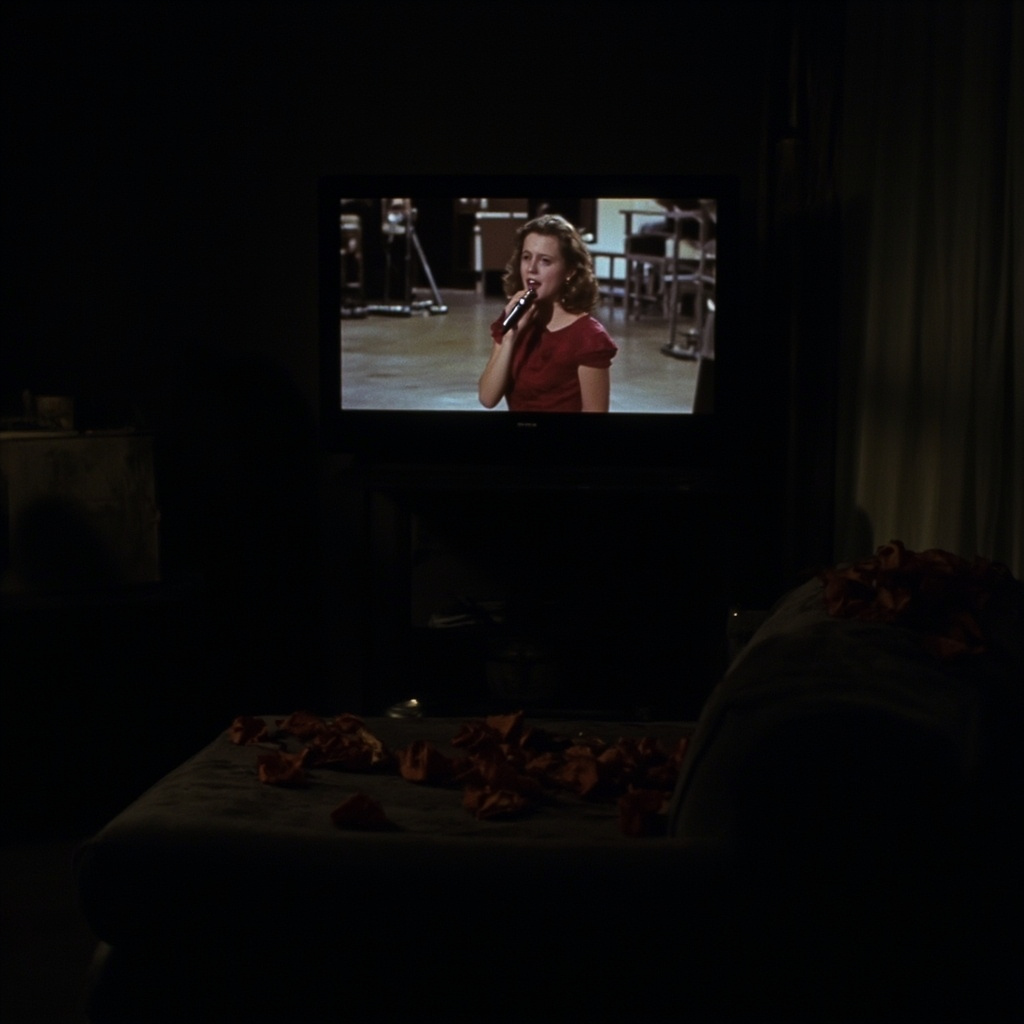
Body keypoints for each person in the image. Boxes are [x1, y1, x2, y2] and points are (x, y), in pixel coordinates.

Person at [478, 214, 617, 413]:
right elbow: (487, 398)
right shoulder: (514, 318)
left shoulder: (589, 337)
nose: (531, 269)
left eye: (545, 260)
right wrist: (510, 337)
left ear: (569, 271)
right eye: (526, 257)